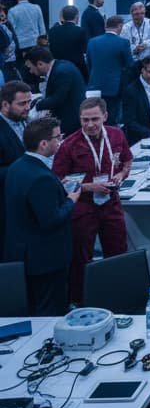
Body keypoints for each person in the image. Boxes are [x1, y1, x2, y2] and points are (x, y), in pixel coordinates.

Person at [52, 96, 132, 303]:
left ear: (105, 116)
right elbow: (58, 181)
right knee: (81, 258)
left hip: (111, 203)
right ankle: (80, 301)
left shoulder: (116, 135)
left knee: (118, 252)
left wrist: (121, 176)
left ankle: (121, 297)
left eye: (95, 119)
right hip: (83, 208)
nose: (90, 124)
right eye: (85, 120)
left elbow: (127, 161)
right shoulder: (69, 145)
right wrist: (89, 187)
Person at [3, 116, 80, 314]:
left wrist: (57, 189)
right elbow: (51, 219)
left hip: (24, 253)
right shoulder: (41, 177)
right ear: (44, 143)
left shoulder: (18, 166)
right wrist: (71, 199)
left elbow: (29, 203)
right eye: (57, 137)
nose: (60, 140)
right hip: (46, 259)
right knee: (50, 311)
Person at [24, 45, 85, 136]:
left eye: (30, 67)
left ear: (40, 64)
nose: (30, 71)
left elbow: (57, 99)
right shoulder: (60, 67)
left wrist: (37, 105)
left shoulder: (61, 72)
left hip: (71, 122)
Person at [85, 15, 133, 125]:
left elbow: (89, 63)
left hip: (94, 85)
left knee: (94, 118)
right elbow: (130, 65)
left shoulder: (92, 42)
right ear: (120, 26)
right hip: (113, 87)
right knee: (110, 119)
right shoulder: (123, 42)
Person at [0, 80, 29, 256]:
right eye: (22, 103)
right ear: (5, 105)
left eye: (29, 102)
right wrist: (23, 170)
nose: (27, 107)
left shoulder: (24, 120)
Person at [47, 5, 88, 78]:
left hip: (58, 68)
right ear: (76, 16)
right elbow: (84, 50)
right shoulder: (81, 31)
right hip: (77, 68)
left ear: (62, 17)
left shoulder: (52, 31)